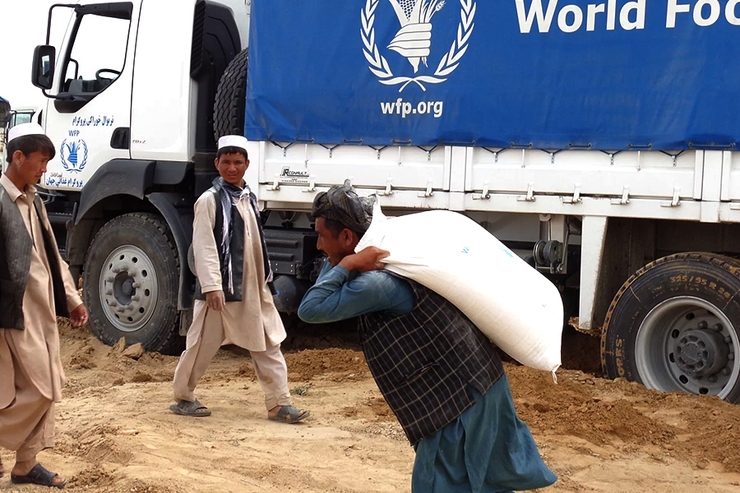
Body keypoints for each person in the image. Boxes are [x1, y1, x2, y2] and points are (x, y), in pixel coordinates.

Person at [297, 182, 557, 493]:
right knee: (484, 482)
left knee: (440, 485)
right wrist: (346, 259)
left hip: (456, 402)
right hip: (481, 384)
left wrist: (350, 262)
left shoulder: (377, 283)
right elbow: (328, 276)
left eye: (322, 237)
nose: (318, 247)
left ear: (348, 237)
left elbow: (310, 309)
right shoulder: (395, 260)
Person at [171, 135, 309, 424]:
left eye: (237, 162)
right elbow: (205, 245)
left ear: (247, 164)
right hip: (222, 291)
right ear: (216, 164)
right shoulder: (208, 201)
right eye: (226, 162)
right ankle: (183, 397)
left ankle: (279, 403)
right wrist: (212, 287)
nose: (232, 168)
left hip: (254, 288)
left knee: (268, 342)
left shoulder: (248, 197)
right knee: (201, 346)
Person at [0, 123, 89, 489]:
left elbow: (53, 258)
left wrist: (72, 298)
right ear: (18, 157)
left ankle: (25, 465)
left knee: (43, 388)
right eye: (40, 161)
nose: (45, 169)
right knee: (40, 388)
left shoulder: (34, 200)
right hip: (11, 312)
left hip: (41, 311)